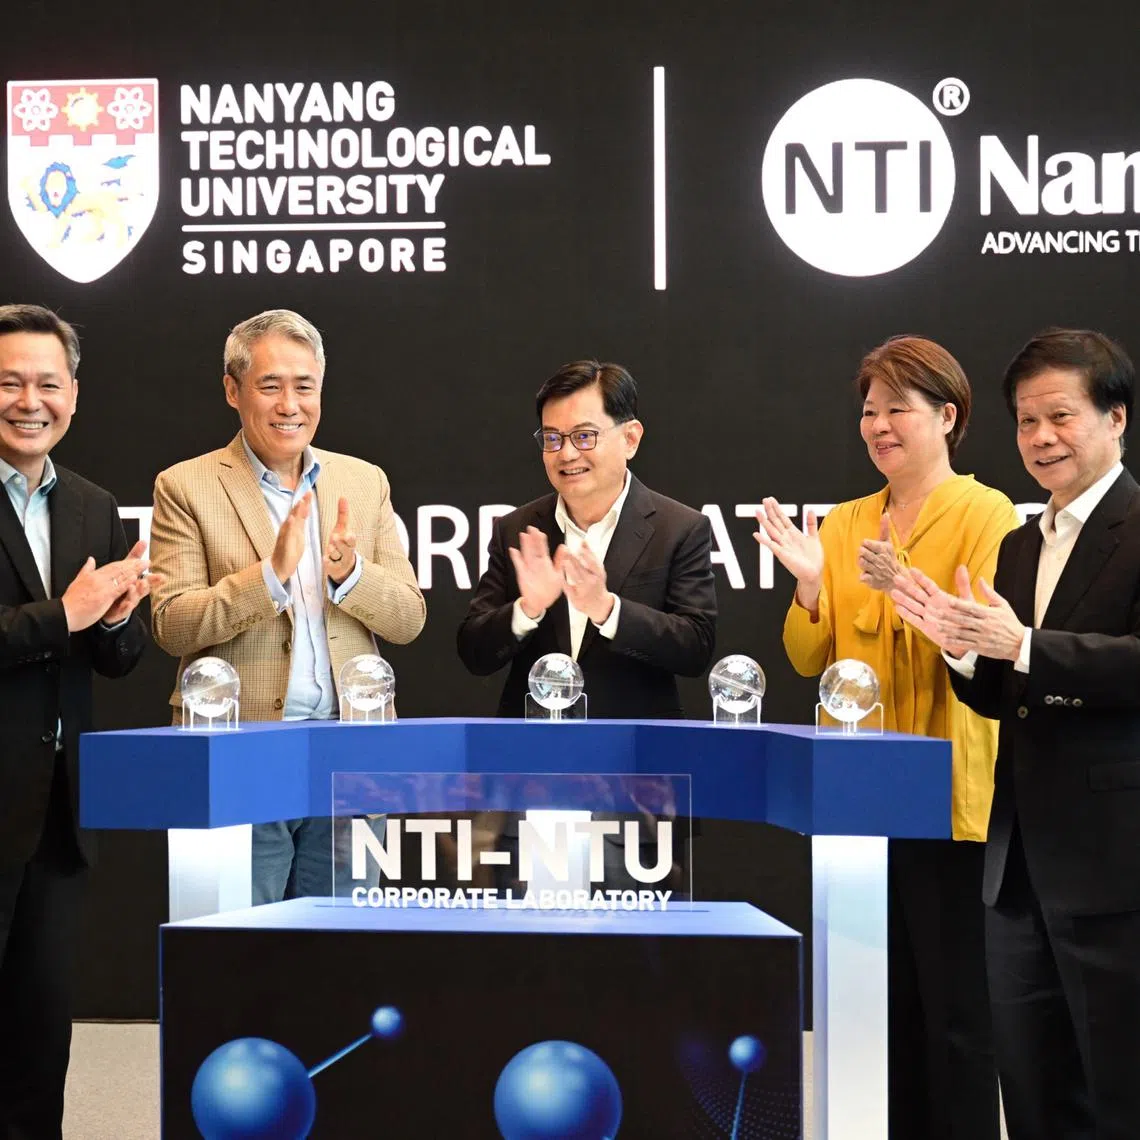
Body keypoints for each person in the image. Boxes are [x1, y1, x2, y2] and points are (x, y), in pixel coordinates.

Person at [755, 335, 1017, 1140]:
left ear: (948, 415)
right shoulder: (843, 523)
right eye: (869, 410)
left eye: (897, 408)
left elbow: (976, 642)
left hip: (946, 797)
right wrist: (809, 586)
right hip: (860, 804)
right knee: (886, 1014)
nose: (878, 426)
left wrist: (898, 581)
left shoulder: (986, 512)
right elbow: (808, 657)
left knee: (957, 1019)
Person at [892, 329, 1140, 1140]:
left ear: (1116, 419)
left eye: (1061, 416)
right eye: (1027, 421)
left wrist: (1023, 645)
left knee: (1119, 1093)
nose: (1041, 438)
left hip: (1115, 869)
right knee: (1033, 1095)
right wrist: (960, 648)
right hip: (1016, 870)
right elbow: (1006, 696)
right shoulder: (1020, 543)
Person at [149, 309, 425, 904]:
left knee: (339, 950)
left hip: (349, 757)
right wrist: (268, 578)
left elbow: (408, 618)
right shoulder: (186, 485)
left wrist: (350, 574)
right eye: (270, 385)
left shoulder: (363, 480)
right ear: (233, 390)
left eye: (305, 386)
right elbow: (171, 624)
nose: (289, 405)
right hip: (239, 753)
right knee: (236, 950)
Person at [0, 304, 153, 1139]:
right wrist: (66, 613)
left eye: (47, 384)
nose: (31, 400)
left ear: (74, 394)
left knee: (39, 1038)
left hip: (58, 819)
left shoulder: (93, 506)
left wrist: (120, 616)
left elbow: (114, 660)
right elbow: (57, 623)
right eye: (11, 382)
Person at [458, 358, 716, 717]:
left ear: (630, 439)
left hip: (636, 754)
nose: (566, 454)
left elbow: (695, 648)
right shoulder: (516, 529)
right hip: (532, 755)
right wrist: (526, 610)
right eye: (552, 438)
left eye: (583, 436)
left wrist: (607, 610)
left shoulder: (679, 527)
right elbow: (474, 653)